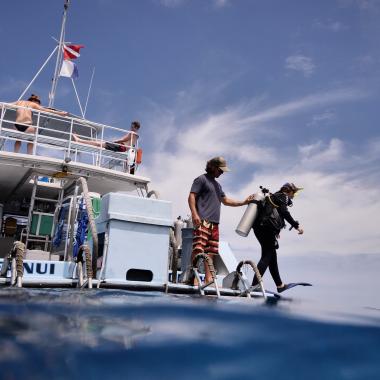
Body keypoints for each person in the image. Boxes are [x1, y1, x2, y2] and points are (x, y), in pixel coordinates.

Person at [188, 156, 255, 284]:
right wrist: (194, 214)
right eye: (220, 170)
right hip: (203, 220)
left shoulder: (218, 186)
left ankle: (208, 280)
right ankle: (194, 277)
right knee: (198, 249)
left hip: (215, 224)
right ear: (213, 167)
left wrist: (244, 202)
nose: (222, 172)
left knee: (211, 252)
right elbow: (191, 196)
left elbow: (226, 201)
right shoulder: (201, 179)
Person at [251, 182, 304, 293]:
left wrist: (276, 230)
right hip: (266, 229)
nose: (294, 196)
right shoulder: (283, 196)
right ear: (288, 191)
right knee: (267, 256)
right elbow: (285, 212)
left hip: (259, 228)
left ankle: (279, 285)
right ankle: (254, 286)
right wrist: (296, 226)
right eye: (294, 193)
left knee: (272, 257)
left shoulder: (273, 197)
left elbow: (271, 214)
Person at [72, 121, 140, 152]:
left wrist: (115, 141)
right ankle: (80, 140)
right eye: (131, 126)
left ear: (136, 128)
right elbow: (131, 145)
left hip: (121, 146)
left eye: (132, 127)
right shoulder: (136, 137)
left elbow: (124, 139)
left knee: (99, 143)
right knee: (99, 143)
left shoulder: (133, 133)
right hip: (122, 148)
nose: (131, 128)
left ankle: (79, 140)